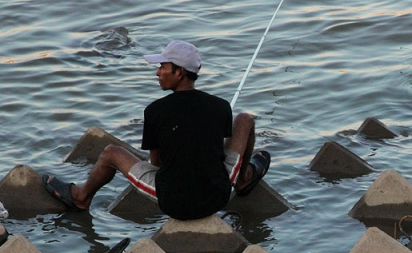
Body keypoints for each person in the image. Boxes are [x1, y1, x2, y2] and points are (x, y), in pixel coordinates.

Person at [43, 40, 270, 220]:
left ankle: (81, 197)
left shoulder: (155, 111)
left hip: (175, 204)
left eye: (162, 66)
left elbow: (157, 165)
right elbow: (215, 151)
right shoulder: (220, 106)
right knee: (244, 120)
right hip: (217, 197)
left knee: (111, 153)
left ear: (179, 72)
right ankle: (243, 180)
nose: (157, 72)